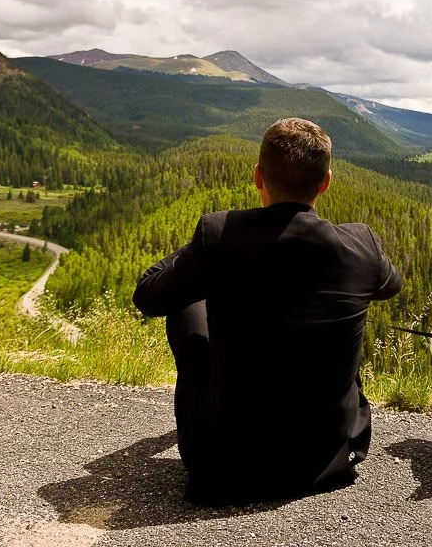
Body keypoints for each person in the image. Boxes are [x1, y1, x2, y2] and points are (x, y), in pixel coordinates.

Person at [134, 117, 403, 504]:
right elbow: (390, 286)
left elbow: (148, 296)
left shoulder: (219, 234)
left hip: (223, 462)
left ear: (258, 176)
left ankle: (208, 408)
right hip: (330, 455)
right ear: (326, 181)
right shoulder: (360, 244)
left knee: (187, 304)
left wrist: (202, 252)